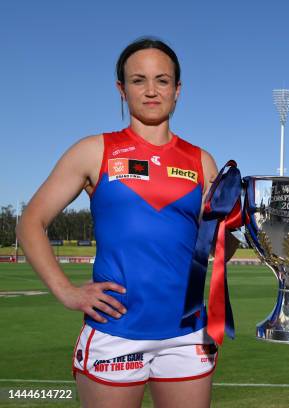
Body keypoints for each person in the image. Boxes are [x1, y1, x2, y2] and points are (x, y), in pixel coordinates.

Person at [16, 37, 232, 408]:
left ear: (177, 90)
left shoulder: (202, 161)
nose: (151, 90)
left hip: (187, 335)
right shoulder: (93, 150)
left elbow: (216, 241)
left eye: (162, 80)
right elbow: (30, 222)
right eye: (138, 80)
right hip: (116, 331)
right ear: (121, 89)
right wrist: (67, 292)